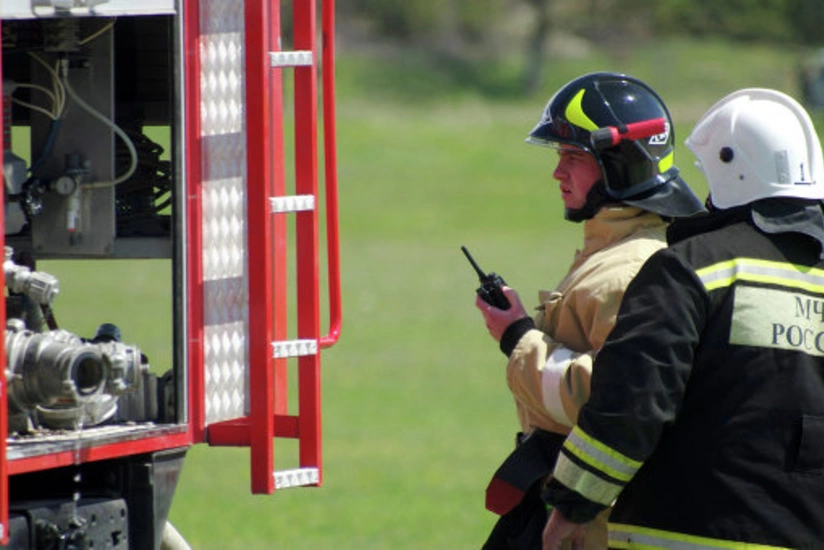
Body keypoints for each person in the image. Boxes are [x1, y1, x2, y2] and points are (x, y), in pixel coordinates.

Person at [541, 87, 824, 549]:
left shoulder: (693, 268)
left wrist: (573, 504)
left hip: (684, 531)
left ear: (730, 167)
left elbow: (632, 402)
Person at [475, 72, 705, 550]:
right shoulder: (617, 251)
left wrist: (518, 338)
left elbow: (613, 399)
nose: (558, 173)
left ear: (619, 163)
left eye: (573, 158)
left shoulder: (630, 271)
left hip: (591, 527)